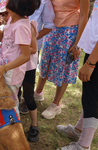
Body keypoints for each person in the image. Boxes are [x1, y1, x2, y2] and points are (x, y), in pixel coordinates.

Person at [0, 0, 40, 118]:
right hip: (3, 70)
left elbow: (25, 55)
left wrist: (4, 68)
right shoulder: (11, 20)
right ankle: (4, 125)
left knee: (11, 104)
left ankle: (14, 129)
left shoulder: (21, 26)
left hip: (11, 74)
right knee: (3, 101)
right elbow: (1, 37)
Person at [34, 0, 90, 119]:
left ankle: (56, 104)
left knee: (65, 66)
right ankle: (37, 93)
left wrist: (77, 44)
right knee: (45, 60)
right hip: (51, 26)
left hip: (70, 29)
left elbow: (84, 15)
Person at [56, 2, 98, 149]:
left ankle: (83, 145)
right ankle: (79, 130)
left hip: (96, 55)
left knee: (92, 98)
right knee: (90, 95)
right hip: (93, 49)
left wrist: (92, 62)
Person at [19, 0, 55, 114]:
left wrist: (33, 38)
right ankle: (16, 96)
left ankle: (27, 99)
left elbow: (49, 25)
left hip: (32, 46)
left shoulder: (45, 2)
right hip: (15, 43)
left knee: (28, 72)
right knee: (14, 70)